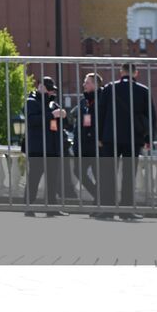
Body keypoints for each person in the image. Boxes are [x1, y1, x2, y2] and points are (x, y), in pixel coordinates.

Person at [95, 64, 157, 220]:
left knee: (108, 174)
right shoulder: (143, 90)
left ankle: (107, 210)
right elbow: (151, 117)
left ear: (121, 72)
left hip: (111, 138)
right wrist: (148, 139)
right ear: (136, 73)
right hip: (133, 138)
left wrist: (99, 137)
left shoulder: (109, 88)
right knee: (129, 175)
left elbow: (100, 113)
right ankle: (126, 211)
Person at [23, 76, 67, 216]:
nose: (51, 93)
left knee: (52, 179)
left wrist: (64, 116)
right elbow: (32, 120)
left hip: (52, 148)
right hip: (37, 148)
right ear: (40, 87)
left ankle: (52, 208)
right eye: (49, 90)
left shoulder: (53, 104)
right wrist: (51, 115)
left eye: (52, 90)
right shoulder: (31, 102)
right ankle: (28, 207)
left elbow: (64, 125)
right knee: (34, 178)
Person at [72, 73, 102, 203]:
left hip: (97, 145)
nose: (84, 84)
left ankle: (101, 203)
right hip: (83, 146)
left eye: (87, 82)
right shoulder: (83, 101)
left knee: (99, 176)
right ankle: (98, 196)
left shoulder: (102, 99)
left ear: (96, 85)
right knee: (78, 171)